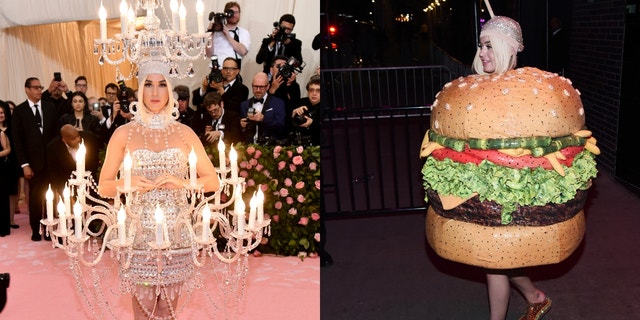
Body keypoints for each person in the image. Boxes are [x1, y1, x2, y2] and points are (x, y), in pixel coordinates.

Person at [97, 59, 219, 319]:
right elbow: (103, 185)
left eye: (162, 84)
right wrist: (124, 184)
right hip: (138, 235)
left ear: (170, 89)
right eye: (148, 85)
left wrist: (183, 183)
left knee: (168, 310)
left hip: (177, 234)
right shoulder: (124, 134)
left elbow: (213, 181)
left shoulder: (185, 132)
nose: (155, 93)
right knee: (143, 307)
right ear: (139, 90)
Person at [470, 16, 552, 320]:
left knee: (495, 259)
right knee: (495, 257)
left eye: (489, 45)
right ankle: (535, 296)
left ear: (508, 48)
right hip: (480, 182)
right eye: (481, 46)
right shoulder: (474, 87)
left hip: (516, 184)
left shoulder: (529, 89)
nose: (482, 53)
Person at [11, 77, 62, 241]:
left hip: (50, 163)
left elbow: (56, 136)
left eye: (40, 87)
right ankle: (35, 229)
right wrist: (24, 164)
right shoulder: (19, 111)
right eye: (35, 87)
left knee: (51, 197)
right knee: (34, 198)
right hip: (32, 164)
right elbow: (17, 140)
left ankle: (49, 229)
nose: (39, 90)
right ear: (27, 89)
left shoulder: (50, 107)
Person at [46, 124, 100, 198]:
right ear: (64, 140)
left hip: (91, 185)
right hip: (68, 189)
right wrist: (66, 195)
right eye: (73, 138)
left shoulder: (89, 138)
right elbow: (55, 176)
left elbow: (96, 162)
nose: (78, 139)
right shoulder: (53, 148)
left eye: (78, 136)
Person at [239, 72, 286, 144]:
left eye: (261, 87)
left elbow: (281, 127)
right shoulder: (244, 105)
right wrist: (242, 127)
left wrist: (264, 119)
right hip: (249, 147)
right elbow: (241, 133)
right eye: (255, 86)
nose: (258, 90)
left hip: (270, 147)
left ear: (268, 86)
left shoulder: (278, 103)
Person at [206, 1, 250, 68]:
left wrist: (228, 36)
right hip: (217, 70)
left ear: (239, 14)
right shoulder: (216, 32)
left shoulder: (244, 32)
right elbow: (208, 54)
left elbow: (243, 51)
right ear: (225, 14)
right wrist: (211, 34)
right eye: (231, 12)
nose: (234, 15)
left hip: (234, 72)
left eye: (236, 12)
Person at [268, 55, 301, 136]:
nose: (281, 69)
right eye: (278, 66)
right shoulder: (266, 84)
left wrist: (289, 85)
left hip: (288, 125)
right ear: (271, 70)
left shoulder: (294, 86)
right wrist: (272, 89)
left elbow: (294, 107)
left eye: (285, 66)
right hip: (271, 125)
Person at [291, 75, 321, 146]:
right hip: (300, 144)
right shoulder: (301, 102)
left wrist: (312, 123)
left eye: (318, 91)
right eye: (311, 90)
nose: (314, 94)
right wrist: (293, 114)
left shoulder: (327, 106)